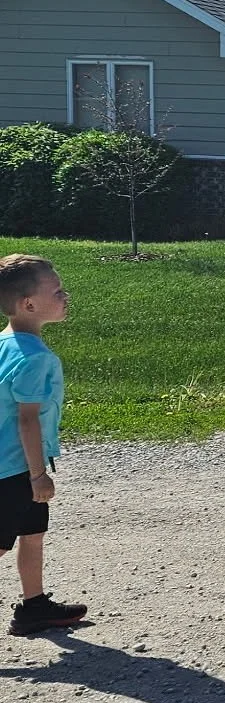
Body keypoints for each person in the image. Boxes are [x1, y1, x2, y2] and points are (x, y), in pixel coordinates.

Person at [0, 255, 85, 636]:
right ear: (28, 304)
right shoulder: (34, 358)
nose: (66, 296)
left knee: (33, 533)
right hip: (15, 468)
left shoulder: (5, 344)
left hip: (14, 462)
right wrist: (37, 476)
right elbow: (27, 419)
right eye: (57, 291)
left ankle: (34, 606)